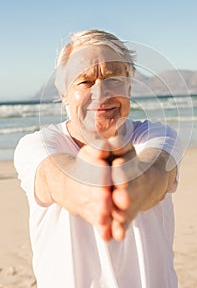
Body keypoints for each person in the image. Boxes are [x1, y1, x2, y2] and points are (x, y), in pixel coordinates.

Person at [14, 29, 182, 288]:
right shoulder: (36, 146)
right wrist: (88, 183)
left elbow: (157, 172)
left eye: (114, 77)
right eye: (85, 81)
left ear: (129, 86)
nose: (101, 91)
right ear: (63, 93)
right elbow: (54, 177)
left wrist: (131, 186)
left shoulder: (157, 136)